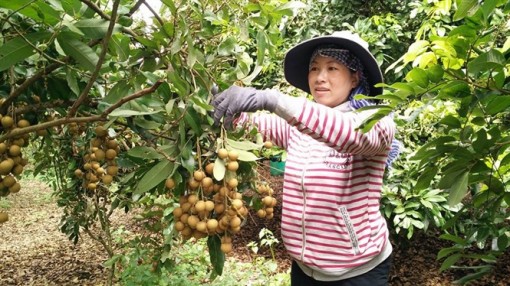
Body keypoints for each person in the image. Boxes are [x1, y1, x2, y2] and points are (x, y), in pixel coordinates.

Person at [212, 31, 399, 286]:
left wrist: (270, 98)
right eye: (314, 68)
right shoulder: (299, 126)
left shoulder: (376, 120)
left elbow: (347, 135)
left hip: (357, 273)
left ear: (355, 77)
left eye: (332, 68)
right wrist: (224, 109)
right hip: (304, 268)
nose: (320, 78)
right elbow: (253, 127)